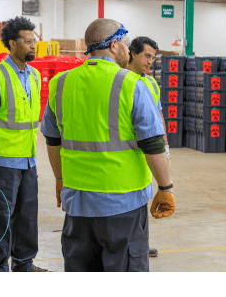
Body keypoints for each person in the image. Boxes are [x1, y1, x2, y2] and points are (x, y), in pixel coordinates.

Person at [40, 18, 174, 272]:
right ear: (114, 45)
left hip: (77, 202)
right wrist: (165, 187)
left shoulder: (61, 83)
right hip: (122, 203)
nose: (127, 49)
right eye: (124, 43)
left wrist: (60, 179)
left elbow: (52, 140)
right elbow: (153, 143)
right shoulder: (132, 84)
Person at [0, 16, 48, 272]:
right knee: (1, 218)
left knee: (26, 216)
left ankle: (24, 264)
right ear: (13, 43)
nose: (33, 46)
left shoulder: (35, 76)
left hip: (28, 159)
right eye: (28, 42)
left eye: (34, 41)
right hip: (2, 161)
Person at [126, 36, 170, 258]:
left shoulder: (150, 82)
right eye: (147, 55)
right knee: (131, 199)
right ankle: (132, 246)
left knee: (144, 195)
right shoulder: (121, 81)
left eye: (153, 57)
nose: (151, 61)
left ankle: (141, 244)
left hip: (149, 149)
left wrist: (165, 143)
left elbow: (158, 113)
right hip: (129, 151)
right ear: (132, 53)